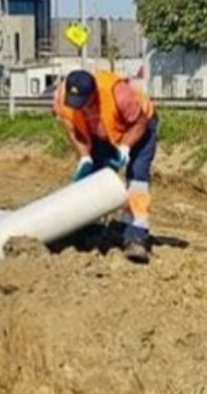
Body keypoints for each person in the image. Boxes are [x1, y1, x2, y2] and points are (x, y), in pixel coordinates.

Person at [54, 68, 158, 263]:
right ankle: (92, 228)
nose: (81, 109)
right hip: (102, 132)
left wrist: (125, 147)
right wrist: (84, 156)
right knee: (94, 178)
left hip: (138, 127)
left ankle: (136, 234)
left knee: (137, 179)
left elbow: (140, 122)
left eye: (85, 104)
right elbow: (73, 130)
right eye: (76, 105)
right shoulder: (62, 98)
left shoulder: (118, 94)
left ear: (94, 95)